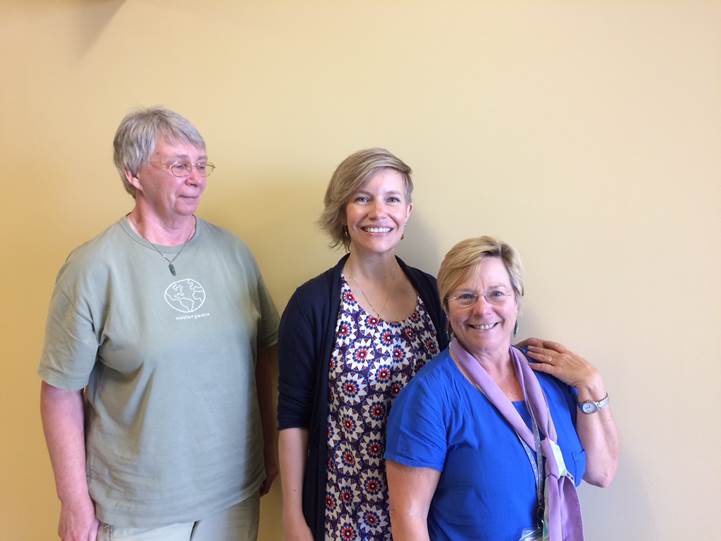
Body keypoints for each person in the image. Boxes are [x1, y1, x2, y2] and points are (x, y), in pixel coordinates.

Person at [38, 107, 279, 541]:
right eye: (179, 165)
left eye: (202, 164)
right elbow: (60, 391)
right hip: (140, 506)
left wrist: (271, 446)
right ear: (132, 173)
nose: (197, 177)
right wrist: (73, 502)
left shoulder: (233, 253)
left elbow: (265, 355)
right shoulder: (92, 267)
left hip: (233, 492)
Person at [385, 236, 619, 541]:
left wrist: (591, 382)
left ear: (517, 302)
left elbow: (601, 472)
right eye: (465, 296)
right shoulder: (429, 397)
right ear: (447, 308)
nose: (482, 310)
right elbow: (407, 516)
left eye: (497, 294)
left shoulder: (550, 375)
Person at [277, 148, 449, 541]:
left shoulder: (434, 295)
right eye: (361, 198)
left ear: (407, 212)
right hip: (345, 512)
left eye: (391, 199)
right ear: (342, 212)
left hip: (427, 514)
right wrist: (293, 519)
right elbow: (292, 418)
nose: (378, 211)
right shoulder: (313, 304)